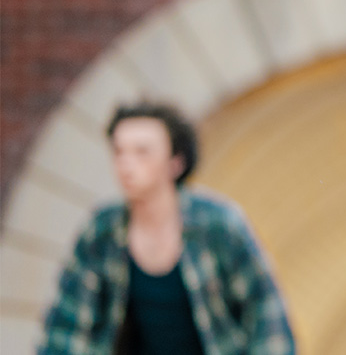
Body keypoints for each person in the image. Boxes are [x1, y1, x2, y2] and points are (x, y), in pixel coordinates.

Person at [39, 102, 296, 355]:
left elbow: (267, 315)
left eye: (142, 152)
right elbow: (66, 327)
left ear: (176, 162)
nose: (126, 164)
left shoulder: (219, 225)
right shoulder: (101, 232)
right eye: (119, 152)